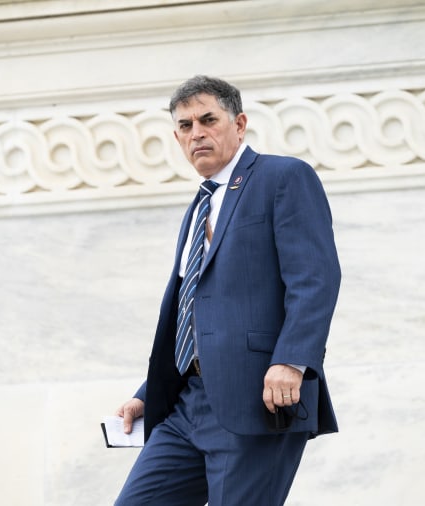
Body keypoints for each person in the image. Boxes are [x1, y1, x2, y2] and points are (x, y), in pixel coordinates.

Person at [114, 75, 341, 506]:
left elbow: (315, 278)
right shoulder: (199, 206)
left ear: (239, 124)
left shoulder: (283, 177)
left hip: (260, 401)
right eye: (184, 126)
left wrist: (292, 361)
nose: (196, 133)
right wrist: (148, 393)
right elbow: (196, 312)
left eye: (207, 119)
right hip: (186, 406)